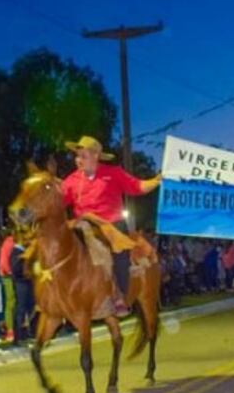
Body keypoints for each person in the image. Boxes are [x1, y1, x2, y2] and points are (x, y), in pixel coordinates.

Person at [60, 135, 162, 316]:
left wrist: (156, 180)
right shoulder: (71, 181)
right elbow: (58, 202)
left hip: (112, 226)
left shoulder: (113, 173)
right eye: (77, 156)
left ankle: (120, 296)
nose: (78, 160)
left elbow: (137, 186)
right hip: (83, 226)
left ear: (96, 156)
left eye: (83, 156)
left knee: (120, 255)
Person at [0, 228, 16, 340]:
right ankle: (10, 329)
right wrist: (10, 272)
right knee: (11, 302)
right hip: (8, 276)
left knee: (10, 303)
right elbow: (4, 263)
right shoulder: (10, 243)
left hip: (5, 275)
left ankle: (10, 328)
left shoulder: (4, 244)